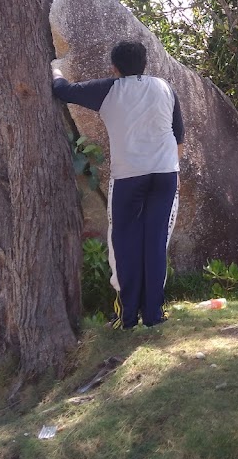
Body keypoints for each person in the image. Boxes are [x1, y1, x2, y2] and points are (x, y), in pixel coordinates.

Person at [52, 40, 184, 330]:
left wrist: (55, 70)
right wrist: (172, 170)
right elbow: (179, 136)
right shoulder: (165, 87)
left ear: (114, 68)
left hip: (129, 176)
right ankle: (154, 314)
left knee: (124, 243)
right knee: (155, 242)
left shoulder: (109, 89)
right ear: (145, 63)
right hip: (165, 173)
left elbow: (63, 91)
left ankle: (128, 316)